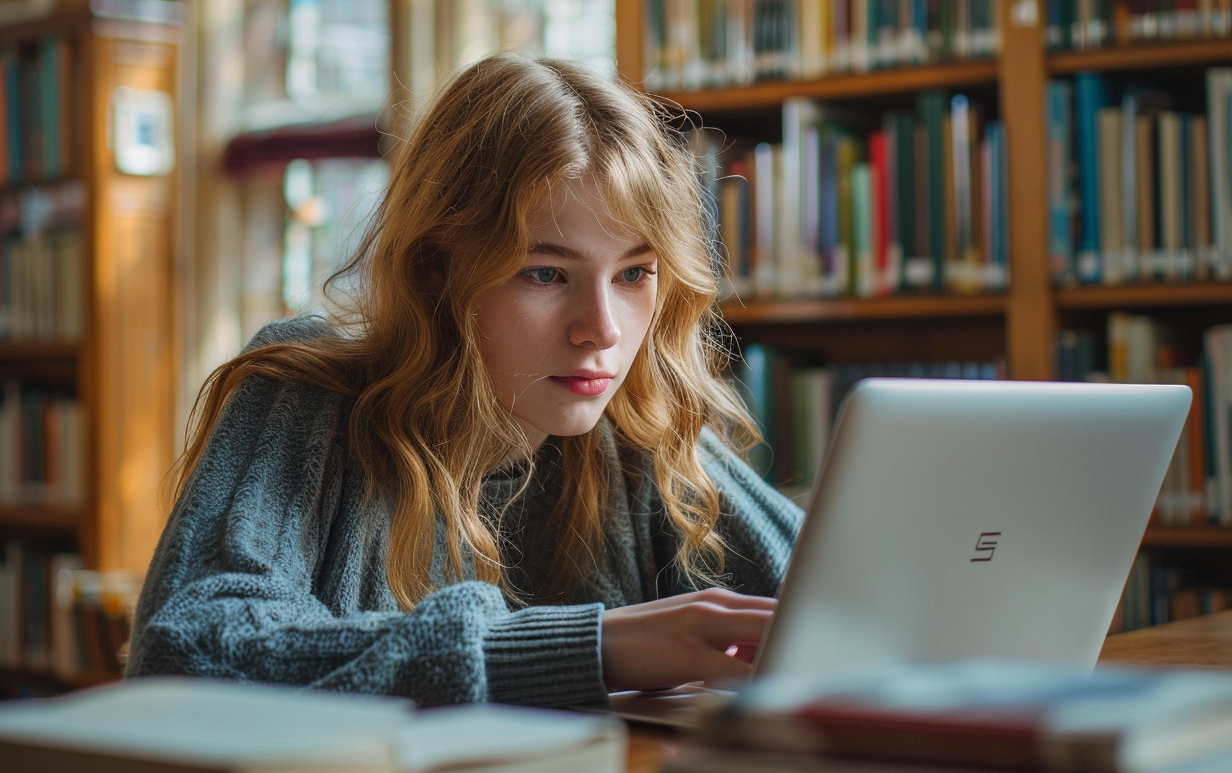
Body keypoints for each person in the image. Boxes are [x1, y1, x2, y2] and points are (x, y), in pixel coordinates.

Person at [127, 52, 803, 709]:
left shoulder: (632, 419)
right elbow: (189, 649)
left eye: (634, 273)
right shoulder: (310, 389)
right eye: (545, 272)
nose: (602, 330)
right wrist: (591, 649)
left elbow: (836, 589)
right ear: (435, 271)